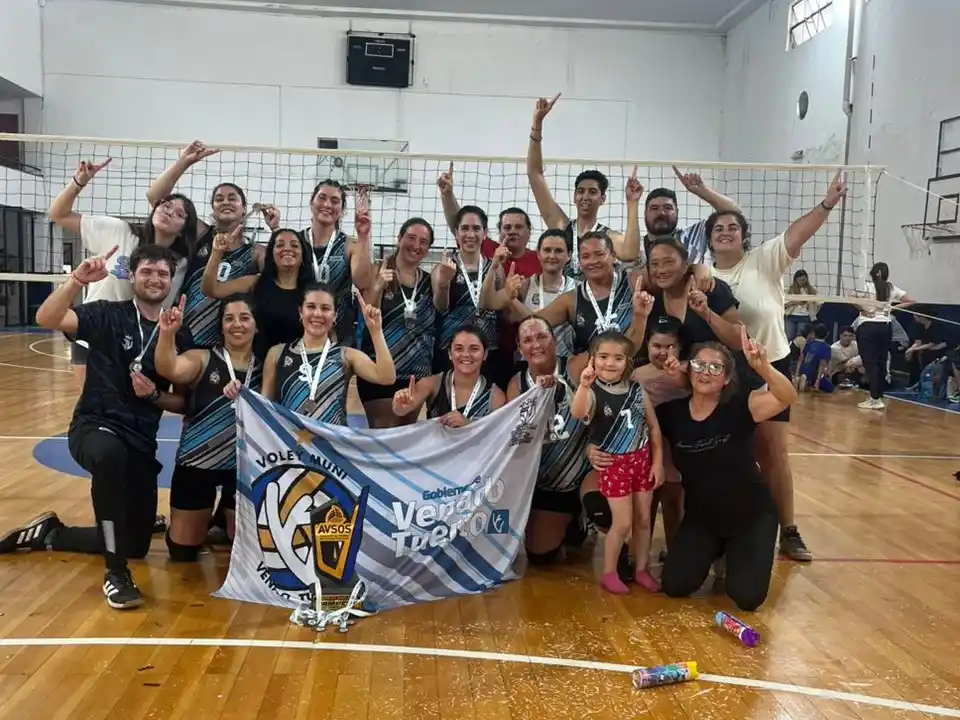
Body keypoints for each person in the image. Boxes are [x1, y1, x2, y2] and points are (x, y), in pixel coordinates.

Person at [0, 244, 191, 609]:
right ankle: (115, 574)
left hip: (140, 440)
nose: (154, 278)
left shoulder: (177, 330)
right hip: (95, 426)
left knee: (135, 543)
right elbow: (47, 317)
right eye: (147, 271)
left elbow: (182, 402)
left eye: (162, 273)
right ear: (132, 276)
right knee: (109, 454)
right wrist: (76, 281)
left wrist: (153, 396)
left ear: (170, 282)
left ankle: (52, 534)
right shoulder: (107, 314)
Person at [708, 172, 847, 562]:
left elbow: (797, 235)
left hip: (770, 364)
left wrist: (827, 203)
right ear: (709, 238)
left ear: (743, 235)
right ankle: (725, 529)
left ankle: (788, 529)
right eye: (718, 228)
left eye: (732, 227)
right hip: (724, 374)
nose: (726, 232)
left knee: (773, 451)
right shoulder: (701, 276)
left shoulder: (764, 259)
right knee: (725, 453)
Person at [658, 328, 799, 612]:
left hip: (751, 516)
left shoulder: (741, 406)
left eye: (715, 367)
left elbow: (787, 397)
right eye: (699, 364)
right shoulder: (670, 413)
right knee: (675, 585)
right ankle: (717, 551)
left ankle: (739, 553)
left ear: (726, 378)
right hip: (703, 518)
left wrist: (765, 368)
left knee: (745, 597)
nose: (705, 372)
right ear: (689, 370)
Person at [49, 157, 197, 382]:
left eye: (179, 213)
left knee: (134, 408)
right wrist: (78, 182)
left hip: (139, 342)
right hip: (95, 332)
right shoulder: (119, 232)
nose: (169, 212)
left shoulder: (181, 264)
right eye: (166, 206)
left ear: (183, 230)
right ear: (155, 208)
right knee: (93, 405)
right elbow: (58, 215)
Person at [153, 294, 260, 559]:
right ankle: (215, 517)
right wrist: (167, 334)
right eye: (229, 318)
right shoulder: (202, 357)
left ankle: (226, 513)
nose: (237, 324)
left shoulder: (267, 364)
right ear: (221, 325)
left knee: (244, 553)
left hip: (243, 467)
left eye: (245, 318)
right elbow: (170, 369)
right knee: (182, 552)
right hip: (198, 462)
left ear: (256, 325)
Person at [147, 141, 271, 348]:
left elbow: (281, 277)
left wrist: (275, 229)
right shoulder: (200, 235)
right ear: (213, 210)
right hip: (187, 335)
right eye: (219, 199)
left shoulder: (256, 252)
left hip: (231, 341)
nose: (225, 202)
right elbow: (155, 198)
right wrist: (183, 163)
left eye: (233, 198)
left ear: (243, 209)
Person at [571, 331, 663, 595]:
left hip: (642, 461)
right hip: (615, 465)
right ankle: (610, 572)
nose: (610, 363)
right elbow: (579, 412)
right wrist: (584, 385)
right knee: (622, 523)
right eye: (603, 357)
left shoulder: (636, 390)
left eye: (617, 358)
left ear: (627, 362)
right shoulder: (592, 392)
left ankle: (642, 568)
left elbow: (653, 429)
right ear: (593, 359)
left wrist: (657, 464)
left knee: (644, 520)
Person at [506, 316, 590, 564]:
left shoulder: (575, 367)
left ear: (555, 341)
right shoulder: (516, 384)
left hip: (581, 475)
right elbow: (513, 438)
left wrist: (639, 316)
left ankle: (588, 513)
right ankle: (572, 522)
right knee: (540, 558)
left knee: (603, 509)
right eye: (528, 340)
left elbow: (617, 352)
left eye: (542, 336)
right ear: (520, 349)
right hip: (544, 481)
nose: (536, 344)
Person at [526, 94, 641, 271]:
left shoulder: (607, 237)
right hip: (563, 297)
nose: (585, 196)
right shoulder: (561, 226)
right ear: (574, 196)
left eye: (592, 192)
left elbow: (630, 253)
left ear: (603, 199)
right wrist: (537, 123)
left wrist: (632, 203)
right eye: (580, 191)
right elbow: (535, 175)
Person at [200, 224, 340, 359]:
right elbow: (211, 290)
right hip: (257, 366)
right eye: (279, 245)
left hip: (299, 367)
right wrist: (217, 253)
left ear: (303, 254)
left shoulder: (313, 292)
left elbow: (330, 333)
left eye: (294, 245)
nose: (287, 249)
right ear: (271, 254)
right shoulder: (256, 283)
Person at [262, 284, 396, 423]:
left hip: (331, 443)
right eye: (311, 307)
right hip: (288, 441)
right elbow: (263, 405)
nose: (318, 314)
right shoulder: (277, 354)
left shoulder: (347, 356)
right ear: (301, 312)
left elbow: (387, 377)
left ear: (335, 316)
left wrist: (376, 331)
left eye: (325, 308)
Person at [360, 218, 440, 427]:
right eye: (411, 238)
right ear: (399, 239)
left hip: (417, 373)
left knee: (404, 437)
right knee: (384, 436)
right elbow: (367, 312)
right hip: (382, 370)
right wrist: (377, 287)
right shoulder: (377, 270)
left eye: (423, 241)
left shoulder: (429, 281)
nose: (416, 245)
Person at [293, 180, 375, 345]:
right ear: (311, 202)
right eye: (322, 198)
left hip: (339, 331)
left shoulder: (350, 245)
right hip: (299, 327)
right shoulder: (296, 242)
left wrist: (363, 237)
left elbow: (363, 281)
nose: (327, 204)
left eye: (335, 201)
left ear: (342, 210)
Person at [480, 229, 577, 359]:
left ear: (569, 255)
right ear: (538, 254)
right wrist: (494, 265)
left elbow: (538, 324)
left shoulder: (578, 287)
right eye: (547, 250)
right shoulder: (525, 285)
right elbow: (486, 303)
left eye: (558, 251)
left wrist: (513, 301)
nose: (552, 256)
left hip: (564, 361)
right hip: (529, 361)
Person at [644, 237, 743, 354]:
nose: (661, 270)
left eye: (668, 262)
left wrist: (706, 313)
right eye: (654, 264)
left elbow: (740, 342)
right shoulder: (652, 299)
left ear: (685, 265)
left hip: (718, 369)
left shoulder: (709, 287)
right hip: (677, 370)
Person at [393, 325, 505, 427]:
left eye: (474, 349)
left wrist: (468, 425)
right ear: (450, 354)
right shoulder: (432, 384)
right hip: (438, 448)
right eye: (459, 349)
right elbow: (402, 410)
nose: (466, 354)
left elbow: (496, 436)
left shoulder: (495, 396)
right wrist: (400, 407)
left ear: (485, 354)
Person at [432, 206, 500, 374]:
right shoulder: (442, 268)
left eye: (476, 229)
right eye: (464, 228)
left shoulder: (496, 268)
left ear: (484, 233)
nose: (470, 235)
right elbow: (440, 308)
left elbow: (502, 307)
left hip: (487, 350)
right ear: (456, 233)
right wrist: (444, 283)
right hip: (452, 351)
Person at [641, 168, 743, 267]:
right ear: (645, 213)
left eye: (668, 208)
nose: (661, 213)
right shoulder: (635, 246)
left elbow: (734, 214)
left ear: (677, 211)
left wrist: (703, 191)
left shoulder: (692, 235)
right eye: (654, 208)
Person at [853, 261, 915, 410]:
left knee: (870, 363)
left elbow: (851, 297)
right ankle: (878, 396)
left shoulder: (866, 286)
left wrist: (863, 309)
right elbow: (911, 300)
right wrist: (891, 309)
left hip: (868, 326)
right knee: (881, 361)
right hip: (885, 327)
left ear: (873, 273)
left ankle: (874, 398)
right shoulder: (891, 287)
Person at [905, 311, 949, 388]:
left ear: (922, 317)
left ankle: (929, 382)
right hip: (929, 347)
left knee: (926, 354)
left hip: (941, 347)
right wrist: (911, 349)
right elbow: (918, 342)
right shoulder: (918, 326)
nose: (913, 316)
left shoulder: (937, 326)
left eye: (915, 315)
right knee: (918, 354)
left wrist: (913, 349)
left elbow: (933, 343)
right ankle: (918, 380)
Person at [795, 323, 834, 393]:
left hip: (803, 370)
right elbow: (822, 365)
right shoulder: (826, 347)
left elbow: (800, 359)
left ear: (814, 334)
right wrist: (818, 381)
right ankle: (810, 383)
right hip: (814, 373)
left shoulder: (809, 343)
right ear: (827, 334)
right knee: (830, 388)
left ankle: (805, 381)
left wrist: (797, 374)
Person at [784, 269, 819, 342]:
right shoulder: (789, 290)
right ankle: (789, 353)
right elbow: (784, 305)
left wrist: (813, 313)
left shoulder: (811, 291)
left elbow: (819, 303)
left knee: (800, 338)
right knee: (789, 337)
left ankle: (800, 353)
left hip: (803, 317)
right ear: (795, 280)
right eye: (799, 280)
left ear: (806, 279)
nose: (802, 282)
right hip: (791, 316)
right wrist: (795, 302)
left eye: (803, 280)